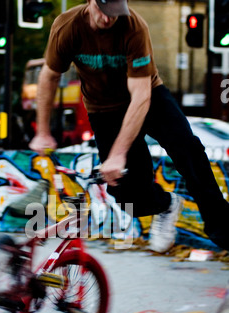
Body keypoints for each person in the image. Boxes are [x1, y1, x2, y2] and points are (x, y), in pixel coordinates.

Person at [29, 0, 229, 253]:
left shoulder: (134, 27)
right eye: (103, 11)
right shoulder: (67, 27)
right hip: (103, 109)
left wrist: (119, 153)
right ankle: (166, 204)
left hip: (150, 96)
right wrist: (42, 132)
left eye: (114, 13)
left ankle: (224, 230)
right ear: (90, 2)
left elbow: (141, 96)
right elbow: (49, 76)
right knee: (124, 190)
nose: (108, 19)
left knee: (189, 152)